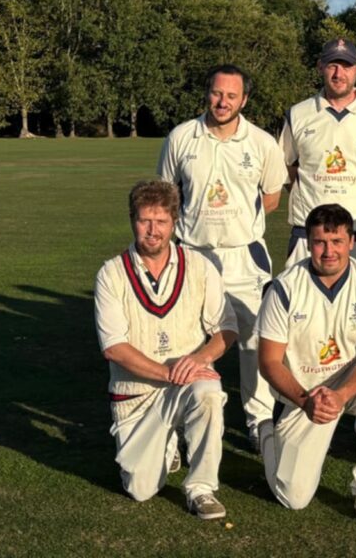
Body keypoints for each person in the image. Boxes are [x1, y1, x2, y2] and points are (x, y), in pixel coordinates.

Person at [157, 64, 288, 449]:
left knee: (255, 340)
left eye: (232, 96)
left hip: (243, 257)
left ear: (244, 100)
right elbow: (167, 194)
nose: (223, 102)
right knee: (189, 341)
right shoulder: (181, 136)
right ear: (207, 93)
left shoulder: (262, 142)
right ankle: (185, 419)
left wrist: (233, 224)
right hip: (191, 254)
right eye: (217, 93)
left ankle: (258, 419)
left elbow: (272, 198)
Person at [93, 180, 237, 520]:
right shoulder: (111, 273)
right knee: (141, 491)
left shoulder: (200, 266)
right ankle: (167, 442)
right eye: (145, 220)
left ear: (175, 222)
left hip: (186, 385)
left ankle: (201, 488)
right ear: (132, 220)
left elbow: (227, 330)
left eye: (161, 221)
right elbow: (114, 348)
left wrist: (199, 360)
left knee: (208, 391)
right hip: (135, 395)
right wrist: (171, 372)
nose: (153, 230)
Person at [256, 204, 356, 521]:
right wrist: (306, 401)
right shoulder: (284, 287)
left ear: (351, 242)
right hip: (303, 392)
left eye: (337, 241)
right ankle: (268, 434)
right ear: (308, 242)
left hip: (351, 382)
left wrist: (341, 395)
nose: (328, 251)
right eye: (320, 242)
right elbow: (268, 362)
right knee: (292, 497)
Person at [279, 38, 356, 270]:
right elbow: (287, 169)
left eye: (346, 66)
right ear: (320, 66)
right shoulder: (298, 114)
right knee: (302, 306)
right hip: (308, 237)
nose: (338, 73)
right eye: (332, 65)